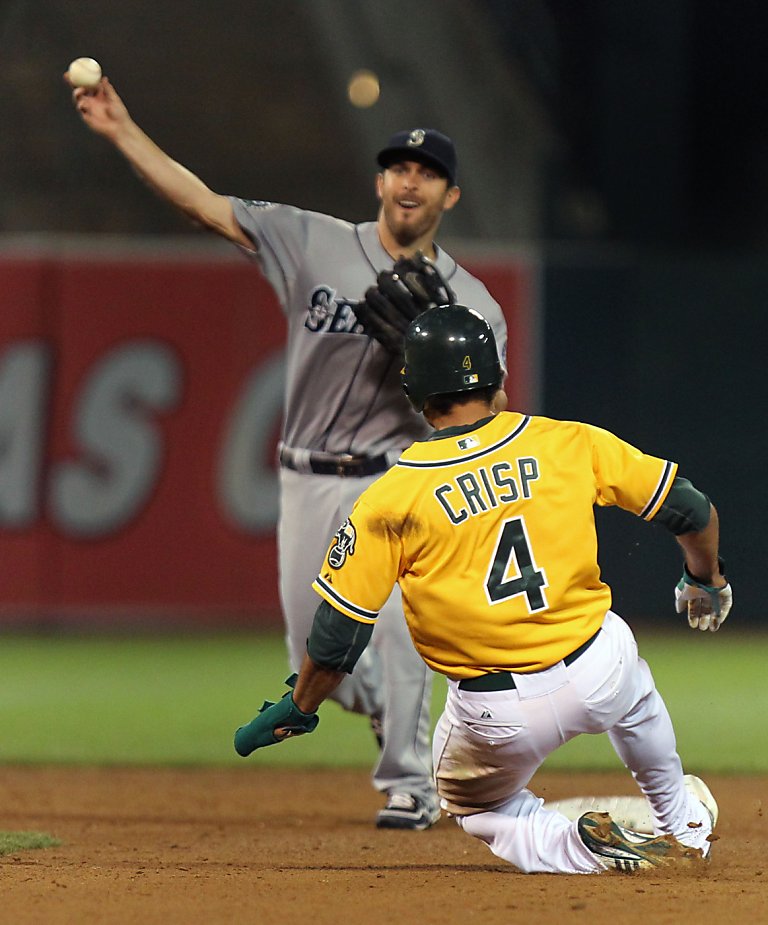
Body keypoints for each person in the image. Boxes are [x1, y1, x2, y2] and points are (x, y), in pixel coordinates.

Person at [68, 74, 509, 829]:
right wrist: (120, 130)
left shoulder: (470, 304)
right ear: (380, 180)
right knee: (319, 661)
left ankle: (411, 779)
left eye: (428, 172)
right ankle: (383, 715)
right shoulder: (311, 240)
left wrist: (426, 355)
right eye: (400, 167)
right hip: (307, 474)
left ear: (451, 197)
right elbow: (203, 203)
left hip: (400, 477)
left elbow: (491, 411)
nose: (411, 181)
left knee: (402, 633)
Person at [233, 304, 732, 874]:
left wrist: (301, 704)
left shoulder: (392, 499)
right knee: (634, 688)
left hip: (497, 714)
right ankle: (680, 819)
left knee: (473, 803)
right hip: (598, 669)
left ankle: (581, 848)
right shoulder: (567, 442)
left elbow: (338, 635)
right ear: (497, 378)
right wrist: (705, 580)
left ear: (414, 393)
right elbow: (692, 510)